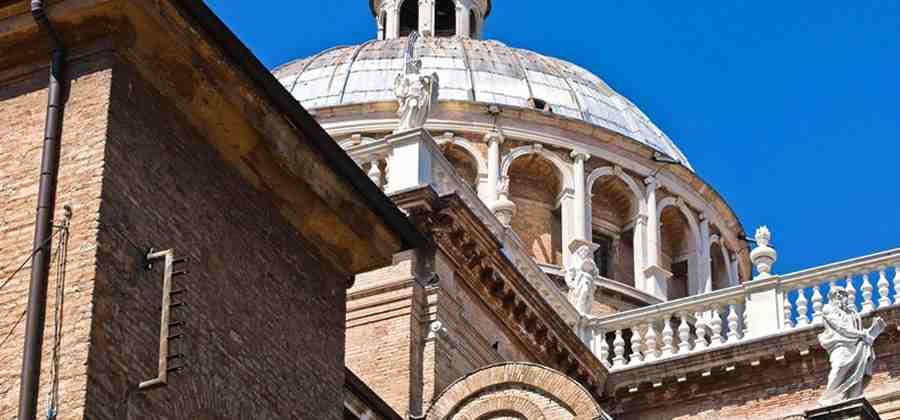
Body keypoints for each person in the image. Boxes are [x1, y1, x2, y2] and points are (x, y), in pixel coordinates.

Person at [818, 287, 885, 406]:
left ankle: (853, 395)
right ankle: (830, 397)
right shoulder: (828, 309)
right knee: (839, 366)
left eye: (842, 294)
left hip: (857, 345)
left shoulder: (852, 313)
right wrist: (863, 334)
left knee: (859, 370)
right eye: (835, 294)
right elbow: (841, 327)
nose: (839, 296)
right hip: (840, 344)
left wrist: (872, 329)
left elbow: (856, 329)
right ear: (831, 298)